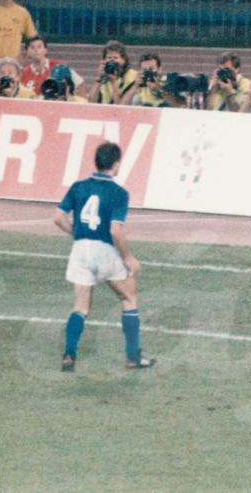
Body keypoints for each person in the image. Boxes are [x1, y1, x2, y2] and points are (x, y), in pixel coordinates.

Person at [54, 141, 154, 372]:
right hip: (104, 250)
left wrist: (78, 234)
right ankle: (133, 357)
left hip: (80, 250)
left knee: (80, 306)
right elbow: (115, 231)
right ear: (116, 164)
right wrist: (128, 258)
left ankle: (69, 354)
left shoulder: (78, 187)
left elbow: (58, 217)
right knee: (129, 298)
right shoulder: (119, 193)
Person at [87, 40, 138, 105]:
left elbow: (120, 106)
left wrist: (113, 82)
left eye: (115, 58)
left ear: (124, 59)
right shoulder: (104, 75)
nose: (112, 62)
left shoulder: (133, 76)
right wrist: (98, 78)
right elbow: (91, 102)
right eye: (109, 58)